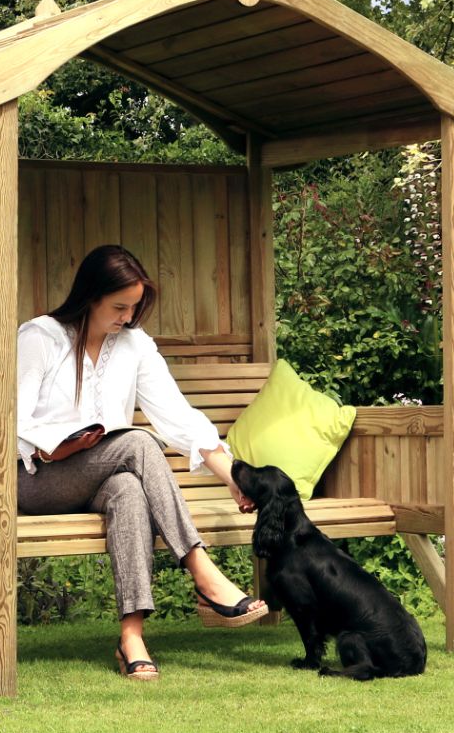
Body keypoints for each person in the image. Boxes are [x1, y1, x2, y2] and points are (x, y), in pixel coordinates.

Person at [17, 244, 267, 680]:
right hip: (38, 480)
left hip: (99, 480)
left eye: (134, 308)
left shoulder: (135, 345)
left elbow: (178, 415)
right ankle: (202, 574)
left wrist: (232, 478)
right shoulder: (40, 338)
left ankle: (131, 639)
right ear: (90, 296)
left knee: (130, 489)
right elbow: (12, 420)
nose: (127, 318)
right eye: (119, 307)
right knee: (137, 442)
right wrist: (52, 446)